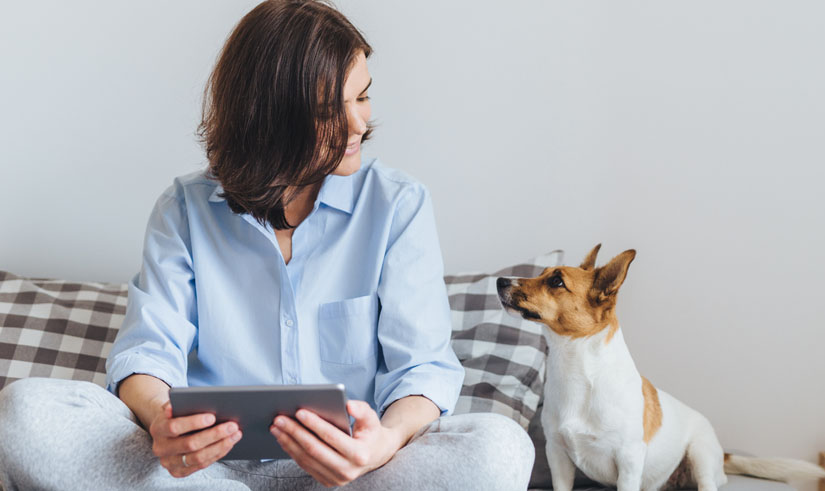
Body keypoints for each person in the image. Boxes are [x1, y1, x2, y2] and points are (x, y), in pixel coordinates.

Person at [0, 1, 534, 489]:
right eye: (330, 109)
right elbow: (147, 353)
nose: (358, 124)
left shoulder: (397, 206)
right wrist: (165, 422)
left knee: (499, 450)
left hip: (350, 475)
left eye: (363, 95)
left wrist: (383, 443)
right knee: (26, 413)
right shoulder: (184, 208)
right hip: (202, 474)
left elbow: (423, 369)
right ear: (270, 114)